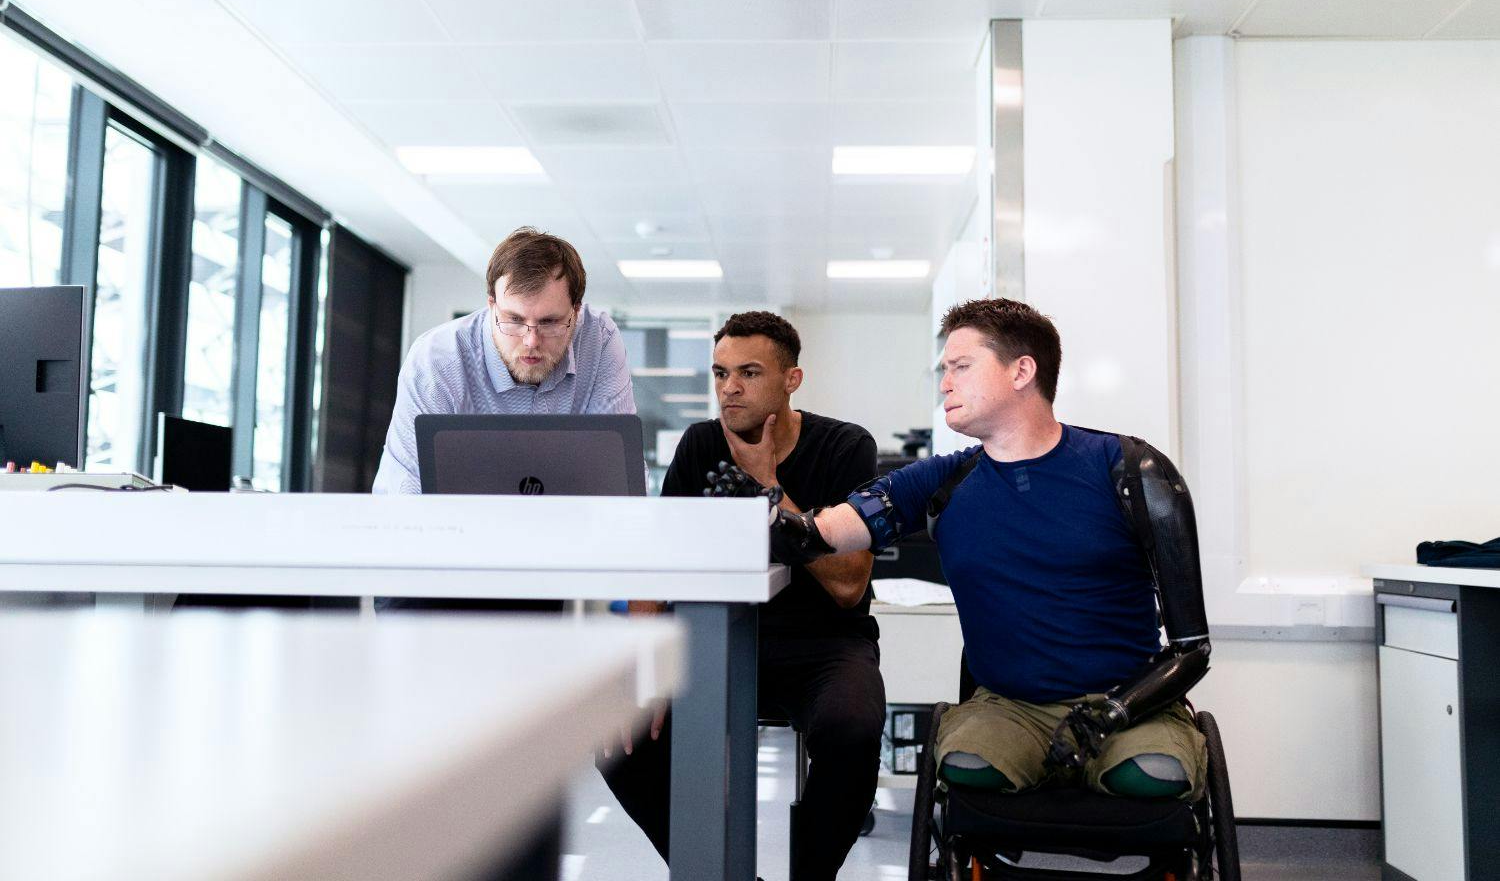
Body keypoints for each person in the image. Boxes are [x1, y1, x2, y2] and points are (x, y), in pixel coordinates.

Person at [751, 298, 1212, 802]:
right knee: (967, 768)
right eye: (944, 370)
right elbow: (823, 532)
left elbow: (1193, 649)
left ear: (1022, 371)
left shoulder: (1131, 471)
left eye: (961, 367)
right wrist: (771, 514)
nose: (945, 382)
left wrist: (1116, 712)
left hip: (1130, 706)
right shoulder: (941, 480)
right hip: (1010, 709)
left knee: (1151, 777)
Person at [599, 311, 886, 881]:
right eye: (721, 372)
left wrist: (768, 489)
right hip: (717, 638)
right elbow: (658, 562)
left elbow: (849, 584)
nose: (730, 387)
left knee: (852, 727)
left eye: (749, 372)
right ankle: (719, 872)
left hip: (824, 645)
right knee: (620, 736)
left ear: (792, 379)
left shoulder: (844, 446)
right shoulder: (702, 443)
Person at [372, 226, 635, 496]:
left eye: (550, 322)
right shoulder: (438, 360)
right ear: (491, 305)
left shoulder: (599, 339)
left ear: (576, 312)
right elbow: (406, 486)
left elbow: (615, 473)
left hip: (570, 528)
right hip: (462, 528)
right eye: (515, 320)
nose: (531, 340)